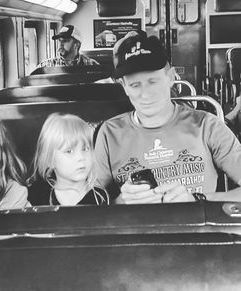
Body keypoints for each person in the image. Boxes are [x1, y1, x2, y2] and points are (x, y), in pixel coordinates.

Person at [95, 30, 241, 204]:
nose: (145, 94)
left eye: (152, 82)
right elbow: (88, 207)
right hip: (136, 229)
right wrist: (120, 203)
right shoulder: (109, 134)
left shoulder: (207, 126)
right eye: (135, 85)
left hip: (198, 228)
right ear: (124, 87)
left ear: (171, 77)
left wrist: (198, 200)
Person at [28, 113, 108, 206]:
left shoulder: (100, 198)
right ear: (49, 160)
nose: (81, 157)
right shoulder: (37, 195)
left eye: (85, 149)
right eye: (69, 151)